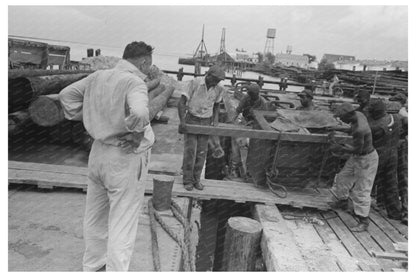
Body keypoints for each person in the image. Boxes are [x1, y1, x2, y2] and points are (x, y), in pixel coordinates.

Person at [59, 41, 155, 271]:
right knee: (123, 219)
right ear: (143, 61)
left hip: (98, 151)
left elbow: (66, 95)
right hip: (124, 155)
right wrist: (137, 132)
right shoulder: (134, 82)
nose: (151, 67)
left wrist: (89, 115)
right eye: (150, 63)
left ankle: (92, 266)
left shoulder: (98, 76)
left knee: (95, 216)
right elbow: (141, 111)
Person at [329, 103, 379, 232]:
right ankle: (343, 201)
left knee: (361, 191)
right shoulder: (358, 114)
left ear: (348, 114)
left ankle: (364, 221)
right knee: (342, 177)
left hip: (366, 159)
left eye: (341, 117)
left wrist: (340, 146)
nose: (340, 120)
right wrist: (336, 128)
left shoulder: (360, 129)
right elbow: (352, 130)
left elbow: (357, 148)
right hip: (358, 156)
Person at [178, 65, 226, 191]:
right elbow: (181, 103)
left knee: (201, 152)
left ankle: (196, 180)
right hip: (192, 119)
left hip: (206, 121)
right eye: (214, 79)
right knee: (190, 152)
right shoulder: (194, 83)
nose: (216, 82)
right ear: (208, 75)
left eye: (218, 80)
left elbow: (217, 105)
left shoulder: (219, 88)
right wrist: (182, 122)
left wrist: (215, 121)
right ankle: (187, 180)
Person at [367, 100, 405, 221]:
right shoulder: (396, 118)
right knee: (391, 183)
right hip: (393, 155)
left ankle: (359, 209)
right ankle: (394, 212)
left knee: (367, 181)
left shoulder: (373, 124)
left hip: (378, 155)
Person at [229, 83, 269, 179]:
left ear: (257, 94)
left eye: (253, 94)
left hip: (257, 125)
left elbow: (265, 120)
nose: (250, 96)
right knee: (236, 140)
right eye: (249, 94)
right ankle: (234, 166)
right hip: (245, 122)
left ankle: (251, 168)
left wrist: (254, 124)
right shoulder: (246, 98)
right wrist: (231, 122)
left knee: (253, 145)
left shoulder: (263, 103)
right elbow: (238, 110)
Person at [388, 92, 408, 224]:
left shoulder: (403, 115)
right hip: (395, 146)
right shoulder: (395, 113)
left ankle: (407, 212)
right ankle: (395, 208)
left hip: (402, 147)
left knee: (403, 178)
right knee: (392, 177)